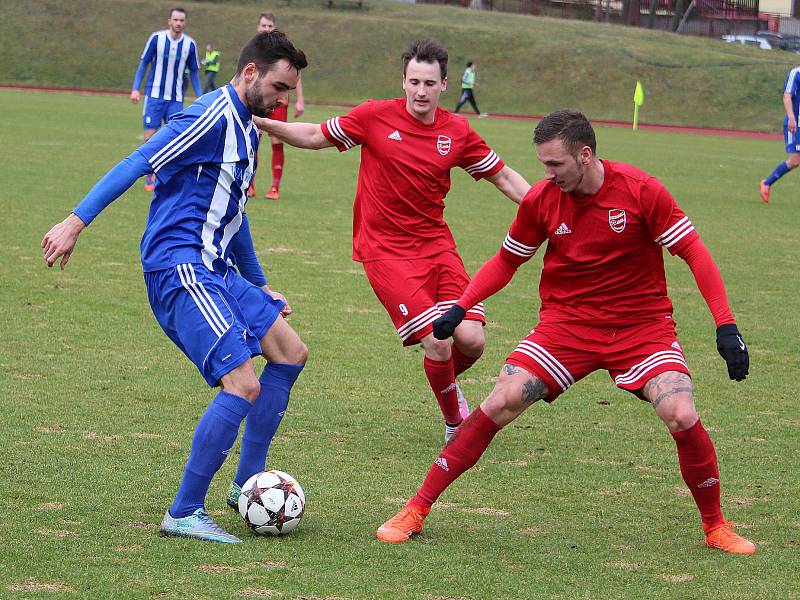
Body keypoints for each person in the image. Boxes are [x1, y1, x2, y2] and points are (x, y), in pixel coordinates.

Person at [376, 109, 757, 555]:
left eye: (555, 164)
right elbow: (506, 261)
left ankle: (716, 526)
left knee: (680, 411)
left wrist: (726, 325)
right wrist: (460, 308)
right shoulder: (541, 200)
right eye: (543, 164)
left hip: (640, 327)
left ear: (585, 154)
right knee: (502, 399)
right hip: (567, 326)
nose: (547, 174)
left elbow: (693, 251)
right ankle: (416, 508)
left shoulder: (641, 191)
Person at [42, 32, 309, 544]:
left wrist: (259, 284)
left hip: (218, 265)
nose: (282, 100)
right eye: (278, 86)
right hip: (181, 266)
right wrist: (75, 221)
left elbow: (235, 210)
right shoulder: (209, 116)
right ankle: (184, 511)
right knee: (243, 384)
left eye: (289, 90)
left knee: (290, 351)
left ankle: (245, 484)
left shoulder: (248, 128)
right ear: (250, 72)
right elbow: (137, 162)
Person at [253, 39, 530, 444]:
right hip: (384, 251)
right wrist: (264, 123)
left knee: (472, 339)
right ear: (403, 81)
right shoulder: (375, 117)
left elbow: (503, 176)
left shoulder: (457, 132)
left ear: (444, 85)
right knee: (437, 339)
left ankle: (444, 383)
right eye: (414, 81)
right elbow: (314, 134)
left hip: (437, 246)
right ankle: (455, 421)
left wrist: (549, 205)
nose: (421, 91)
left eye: (429, 83)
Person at [131, 7, 202, 192]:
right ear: (169, 21)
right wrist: (135, 89)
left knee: (175, 137)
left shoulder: (190, 44)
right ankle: (149, 175)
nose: (178, 23)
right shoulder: (157, 38)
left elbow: (194, 71)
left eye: (181, 20)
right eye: (175, 20)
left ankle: (167, 176)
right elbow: (144, 63)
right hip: (154, 95)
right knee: (150, 137)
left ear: (185, 23)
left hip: (175, 99)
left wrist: (200, 96)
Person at [248, 12, 305, 200]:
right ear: (258, 27)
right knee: (253, 142)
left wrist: (299, 99)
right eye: (263, 26)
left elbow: (295, 75)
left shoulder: (283, 50)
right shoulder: (253, 50)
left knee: (277, 142)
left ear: (275, 27)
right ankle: (250, 185)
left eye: (269, 26)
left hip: (279, 103)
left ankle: (274, 188)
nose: (266, 29)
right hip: (259, 102)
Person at [759, 64, 800, 203]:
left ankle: (766, 183)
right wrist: (792, 118)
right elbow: (786, 96)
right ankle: (766, 183)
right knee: (795, 161)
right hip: (795, 125)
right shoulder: (796, 73)